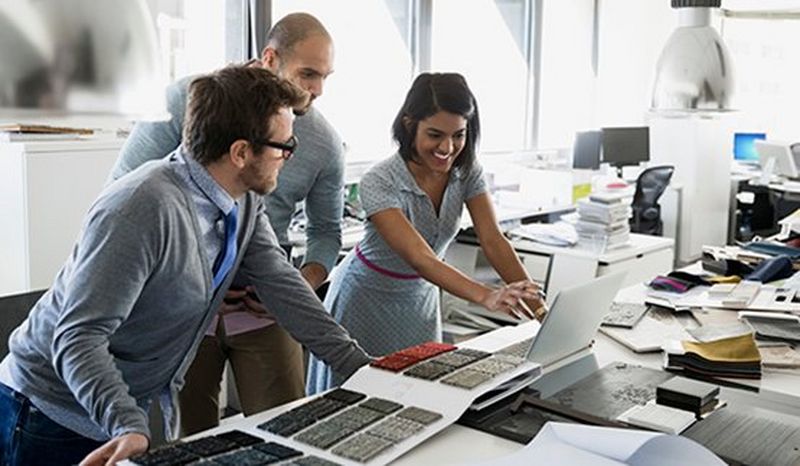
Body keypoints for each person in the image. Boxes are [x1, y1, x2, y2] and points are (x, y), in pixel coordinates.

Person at [0, 66, 370, 466]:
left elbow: (284, 286)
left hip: (115, 412)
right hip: (48, 413)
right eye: (284, 146)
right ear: (241, 152)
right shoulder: (142, 206)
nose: (288, 156)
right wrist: (126, 423)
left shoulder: (241, 201)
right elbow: (77, 337)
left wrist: (360, 366)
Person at [109, 13, 344, 435]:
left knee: (287, 432)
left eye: (326, 77)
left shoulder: (323, 143)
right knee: (190, 436)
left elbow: (325, 235)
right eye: (308, 73)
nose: (318, 90)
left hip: (265, 303)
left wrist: (303, 283)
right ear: (270, 58)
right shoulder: (188, 102)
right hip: (181, 307)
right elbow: (125, 195)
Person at [307, 72, 545, 394]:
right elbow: (419, 257)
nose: (448, 148)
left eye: (459, 135)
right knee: (358, 396)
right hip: (365, 299)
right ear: (409, 125)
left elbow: (492, 239)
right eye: (435, 135)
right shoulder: (379, 180)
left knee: (418, 392)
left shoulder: (467, 172)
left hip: (420, 300)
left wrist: (538, 308)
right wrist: (486, 295)